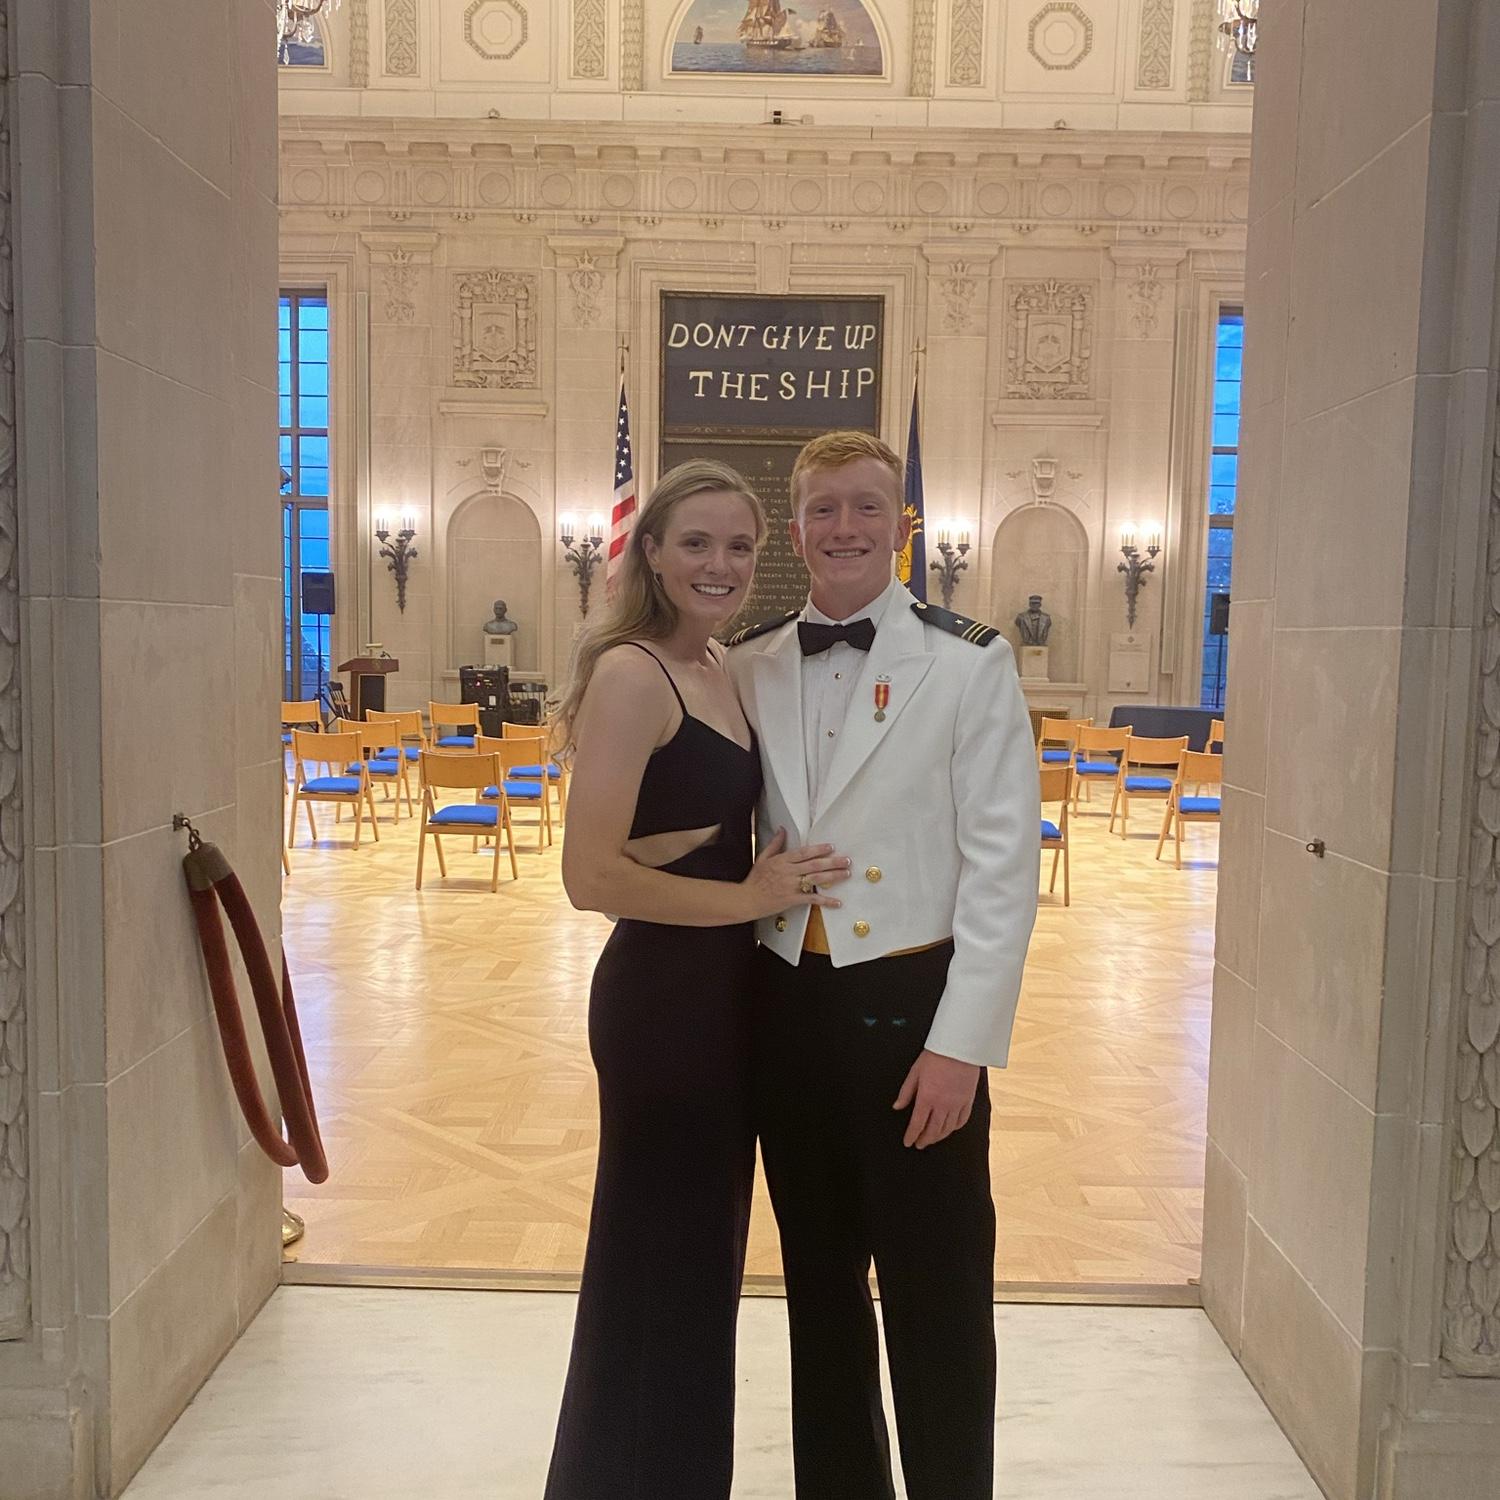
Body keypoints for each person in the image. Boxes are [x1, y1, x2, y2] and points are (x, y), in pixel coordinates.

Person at [726, 430, 1040, 1500]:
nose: (845, 528)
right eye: (824, 510)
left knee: (937, 1292)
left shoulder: (967, 660)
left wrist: (962, 1047)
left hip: (915, 1010)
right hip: (784, 1010)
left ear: (900, 525)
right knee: (818, 1288)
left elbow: (1002, 870)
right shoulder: (752, 660)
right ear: (798, 525)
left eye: (866, 508)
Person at [543, 459, 852, 1500]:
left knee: (696, 1270)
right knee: (659, 1266)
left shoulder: (721, 663)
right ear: (652, 552)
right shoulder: (635, 671)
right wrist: (750, 893)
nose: (719, 564)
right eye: (695, 544)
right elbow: (589, 877)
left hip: (726, 1000)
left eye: (738, 546)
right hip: (664, 1005)